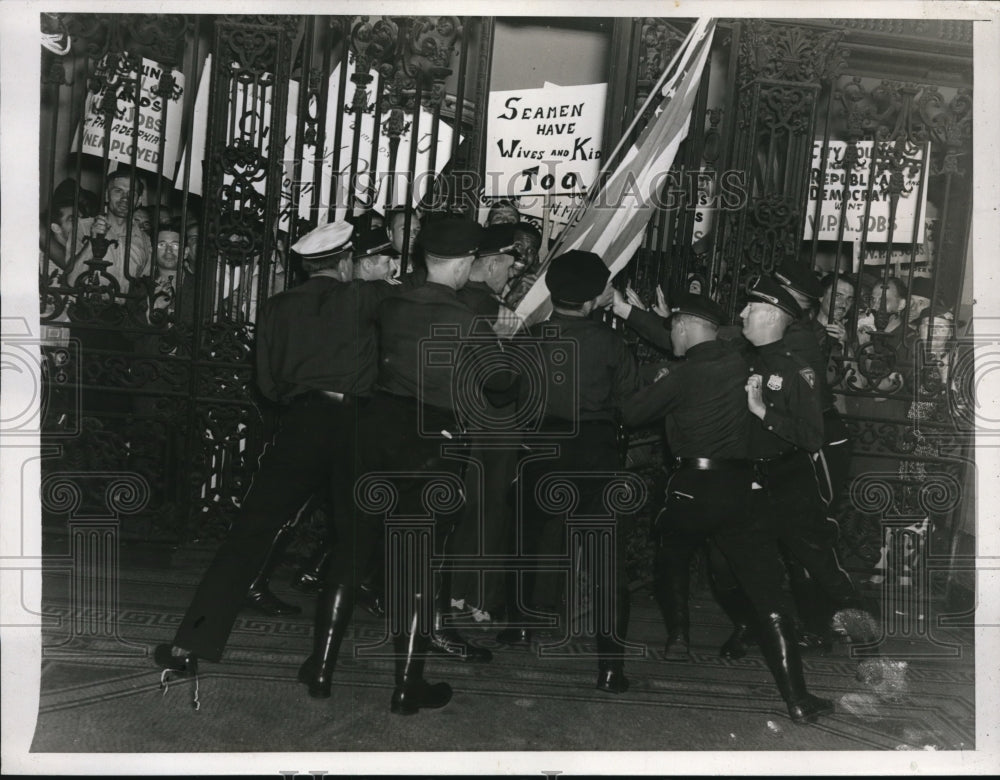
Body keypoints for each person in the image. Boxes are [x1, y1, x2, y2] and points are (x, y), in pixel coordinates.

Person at [153, 221, 416, 704]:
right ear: (343, 261)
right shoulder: (369, 298)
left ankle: (189, 644)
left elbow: (269, 386)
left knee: (248, 534)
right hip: (358, 425)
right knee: (352, 537)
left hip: (302, 423)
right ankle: (322, 666)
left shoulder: (275, 307)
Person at [620, 291, 834, 723]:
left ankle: (676, 635)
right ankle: (798, 699)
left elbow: (629, 412)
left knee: (671, 556)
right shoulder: (744, 362)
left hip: (689, 487)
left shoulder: (683, 375)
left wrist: (643, 377)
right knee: (767, 592)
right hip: (739, 488)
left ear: (682, 329)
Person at [331, 217, 491, 714]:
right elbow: (503, 382)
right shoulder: (467, 319)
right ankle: (407, 685)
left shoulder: (390, 301)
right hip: (433, 445)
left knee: (352, 550)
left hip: (378, 434)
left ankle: (320, 667)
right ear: (464, 263)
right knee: (419, 566)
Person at [509, 250, 640, 694]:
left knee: (532, 537)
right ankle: (610, 667)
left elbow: (508, 392)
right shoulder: (610, 342)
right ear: (590, 301)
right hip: (594, 450)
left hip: (540, 446)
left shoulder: (530, 338)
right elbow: (629, 402)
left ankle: (523, 625)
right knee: (605, 558)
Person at [740, 276, 867, 660]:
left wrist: (764, 412)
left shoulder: (797, 359)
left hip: (793, 476)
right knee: (751, 559)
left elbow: (811, 434)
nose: (743, 313)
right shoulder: (748, 357)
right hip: (755, 478)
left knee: (813, 558)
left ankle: (864, 631)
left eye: (752, 308)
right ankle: (767, 630)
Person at [65, 167, 153, 291]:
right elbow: (72, 281)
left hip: (125, 309)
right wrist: (93, 242)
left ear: (138, 201)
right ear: (106, 195)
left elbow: (144, 285)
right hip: (89, 307)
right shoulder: (83, 227)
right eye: (118, 191)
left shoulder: (144, 239)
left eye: (131, 193)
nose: (125, 198)